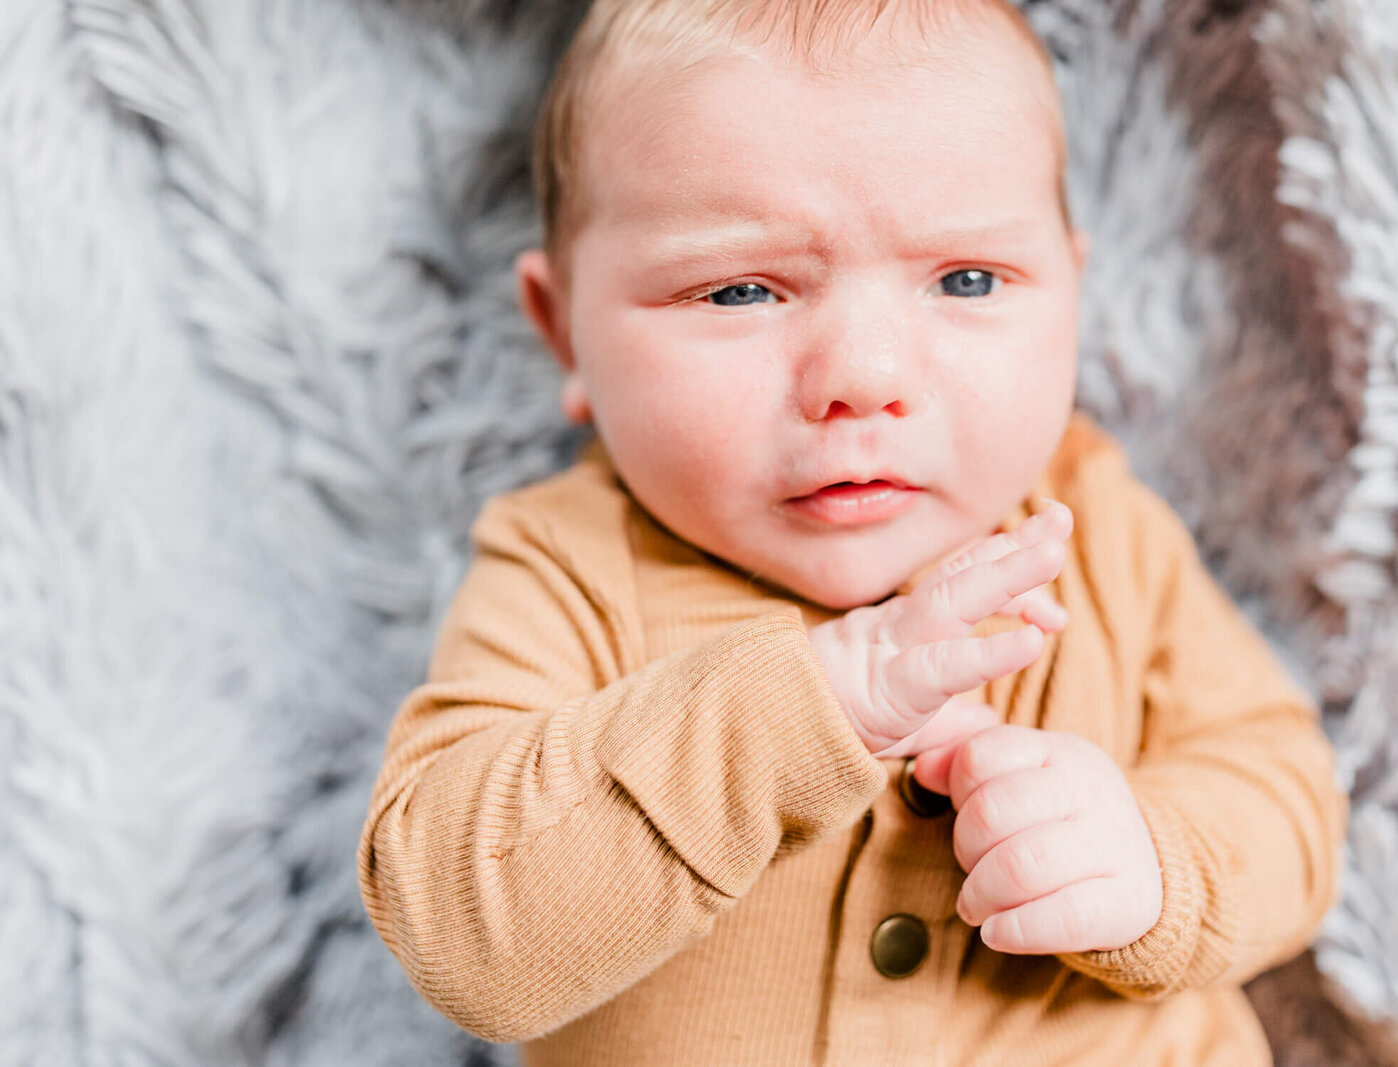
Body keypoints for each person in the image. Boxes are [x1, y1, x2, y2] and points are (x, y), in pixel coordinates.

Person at [356, 0, 1348, 1062]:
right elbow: (458, 923)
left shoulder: (1093, 527)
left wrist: (1155, 863)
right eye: (740, 290)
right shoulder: (569, 565)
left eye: (966, 279)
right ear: (565, 333)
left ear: (1070, 287)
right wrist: (803, 710)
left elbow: (1285, 789)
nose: (864, 378)